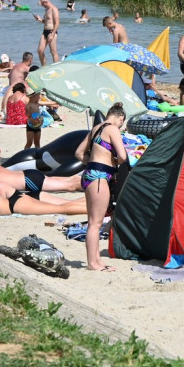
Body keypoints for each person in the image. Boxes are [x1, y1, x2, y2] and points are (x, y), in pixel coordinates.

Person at [74, 102, 128, 272]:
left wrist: (91, 162)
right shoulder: (112, 129)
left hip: (89, 174)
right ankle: (92, 263)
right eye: (122, 122)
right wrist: (113, 163)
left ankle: (96, 260)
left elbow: (78, 153)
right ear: (120, 117)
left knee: (93, 222)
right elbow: (122, 156)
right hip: (100, 177)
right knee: (95, 224)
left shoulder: (96, 128)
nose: (121, 125)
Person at [0, 171, 87, 217]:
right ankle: (91, 205)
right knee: (62, 206)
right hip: (18, 202)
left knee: (61, 209)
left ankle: (94, 211)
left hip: (17, 205)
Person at [34, 0, 60, 64]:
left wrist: (52, 34)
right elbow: (47, 22)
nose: (42, 6)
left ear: (45, 2)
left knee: (53, 51)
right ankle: (44, 68)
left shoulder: (54, 9)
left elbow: (57, 23)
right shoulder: (46, 10)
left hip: (51, 31)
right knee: (40, 50)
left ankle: (56, 67)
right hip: (45, 31)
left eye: (42, 4)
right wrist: (40, 20)